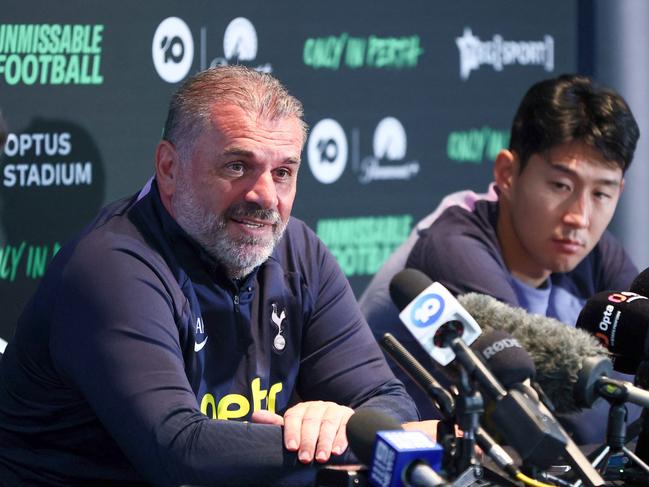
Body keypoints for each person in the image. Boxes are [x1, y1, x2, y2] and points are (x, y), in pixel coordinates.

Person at [0, 66, 418, 486]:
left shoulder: (298, 252)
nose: (266, 197)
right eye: (237, 166)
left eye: (283, 172)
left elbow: (390, 401)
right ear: (168, 167)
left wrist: (343, 423)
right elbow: (180, 450)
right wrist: (343, 439)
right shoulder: (112, 266)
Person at [359, 74, 640, 444]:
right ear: (507, 173)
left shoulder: (593, 248)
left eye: (601, 194)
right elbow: (531, 408)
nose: (580, 217)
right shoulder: (452, 247)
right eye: (561, 186)